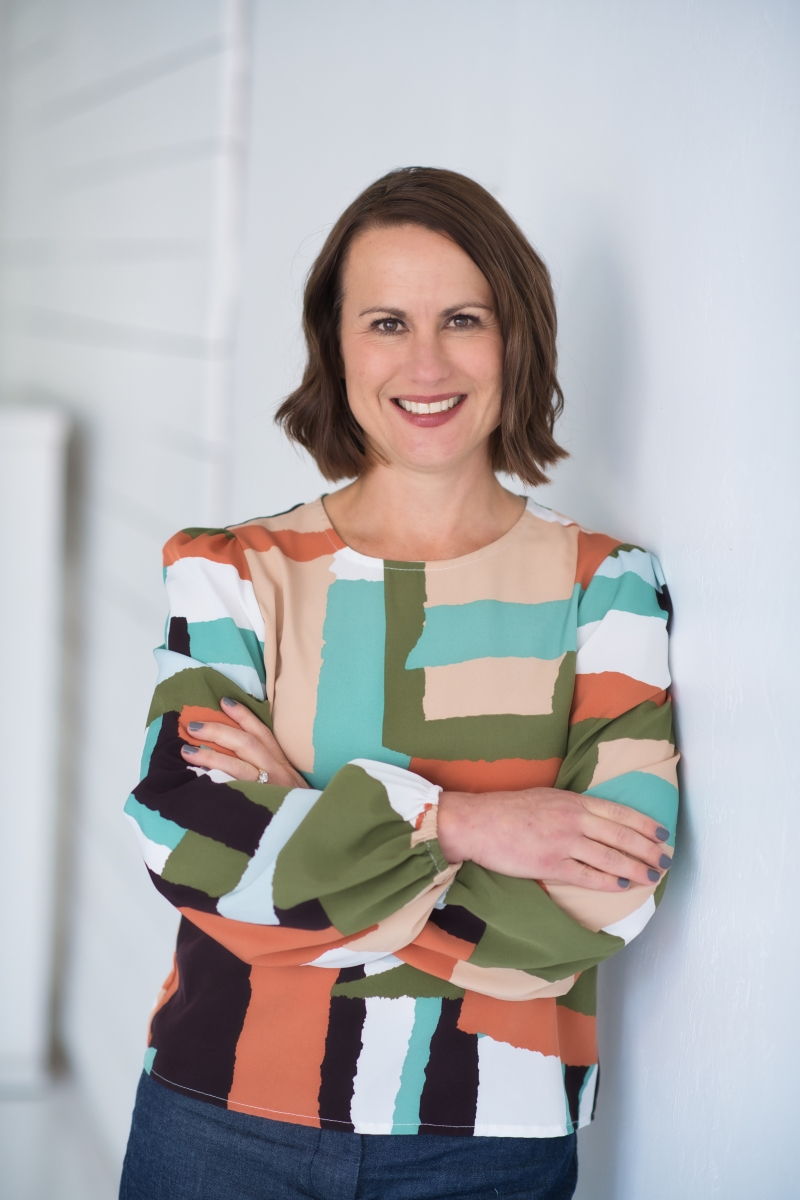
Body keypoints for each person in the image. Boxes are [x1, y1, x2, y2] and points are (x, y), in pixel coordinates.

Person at [119, 167, 678, 1200]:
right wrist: (464, 824)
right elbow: (188, 842)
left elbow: (601, 899)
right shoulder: (230, 571)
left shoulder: (605, 589)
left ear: (517, 336)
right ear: (335, 346)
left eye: (461, 318)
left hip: (486, 1141)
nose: (424, 361)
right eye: (385, 321)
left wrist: (302, 810)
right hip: (216, 1114)